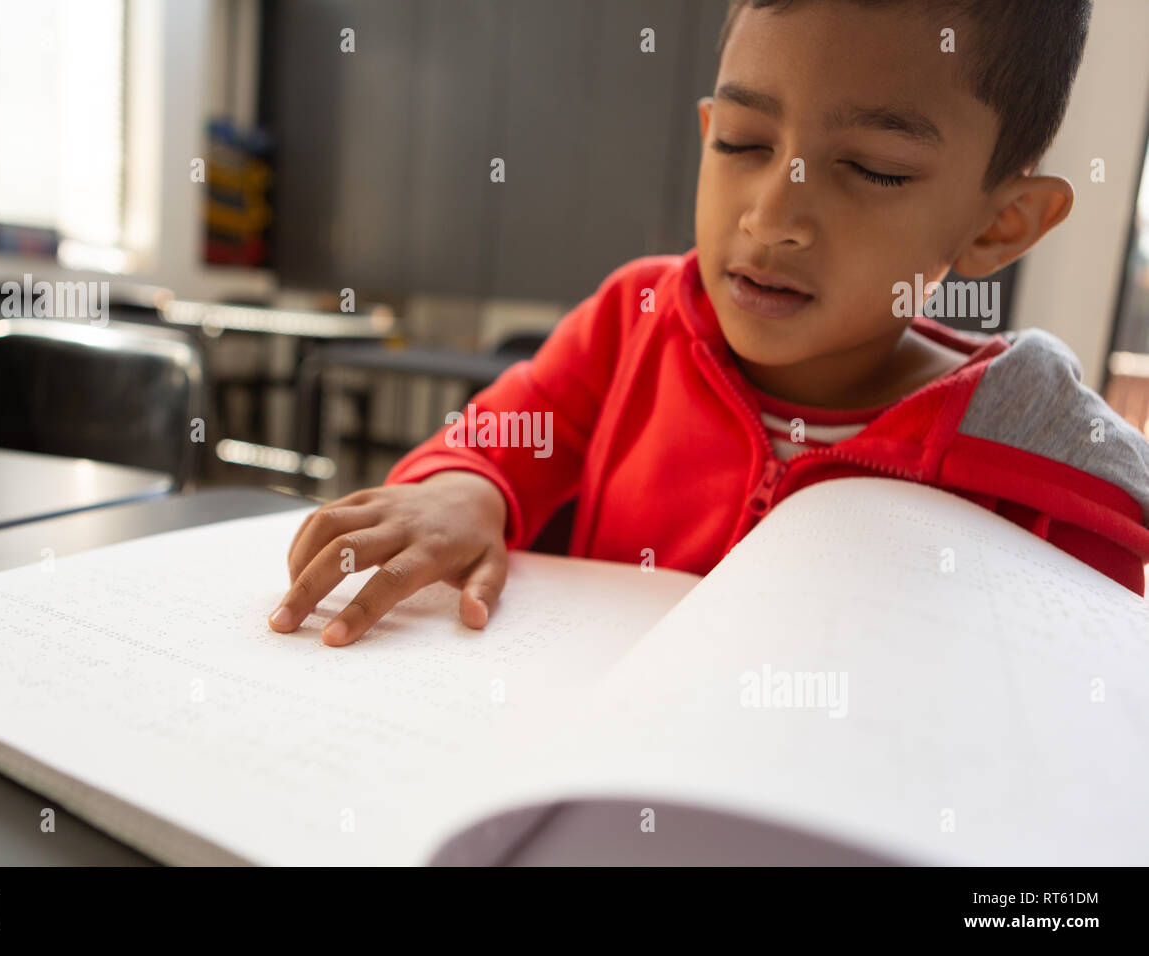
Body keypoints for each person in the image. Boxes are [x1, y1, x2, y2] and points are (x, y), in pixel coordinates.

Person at [271, 0, 1149, 646]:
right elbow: (508, 435)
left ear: (999, 225)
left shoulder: (1040, 472)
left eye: (874, 170)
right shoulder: (636, 319)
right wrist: (466, 491)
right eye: (742, 142)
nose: (772, 217)